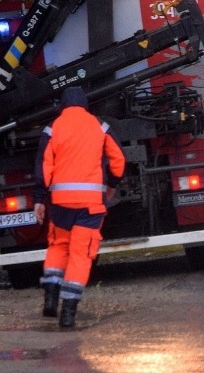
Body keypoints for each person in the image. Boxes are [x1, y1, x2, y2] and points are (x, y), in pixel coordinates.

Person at [33, 86, 126, 328]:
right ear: (85, 105)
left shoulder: (53, 128)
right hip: (90, 206)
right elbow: (118, 160)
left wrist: (40, 199)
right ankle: (68, 314)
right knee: (80, 254)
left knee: (58, 246)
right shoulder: (99, 126)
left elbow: (44, 167)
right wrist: (113, 184)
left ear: (62, 105)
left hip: (61, 205)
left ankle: (51, 298)